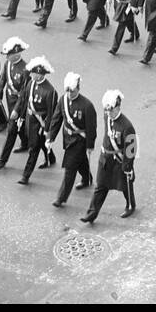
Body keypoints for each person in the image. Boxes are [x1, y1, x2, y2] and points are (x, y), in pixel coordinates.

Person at [81, 88, 137, 223]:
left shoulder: (127, 126)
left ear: (118, 107)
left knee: (124, 185)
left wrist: (128, 166)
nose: (109, 113)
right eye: (107, 110)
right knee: (100, 185)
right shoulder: (107, 116)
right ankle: (92, 213)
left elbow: (131, 150)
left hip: (119, 161)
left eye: (111, 109)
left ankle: (130, 205)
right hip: (105, 158)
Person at [50, 71, 97, 207]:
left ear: (78, 89)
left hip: (79, 141)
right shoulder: (63, 100)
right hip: (68, 138)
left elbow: (91, 127)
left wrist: (90, 145)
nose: (70, 94)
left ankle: (61, 197)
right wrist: (50, 137)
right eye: (68, 91)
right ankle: (87, 178)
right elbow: (56, 119)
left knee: (70, 168)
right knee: (80, 162)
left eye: (73, 91)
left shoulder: (87, 106)